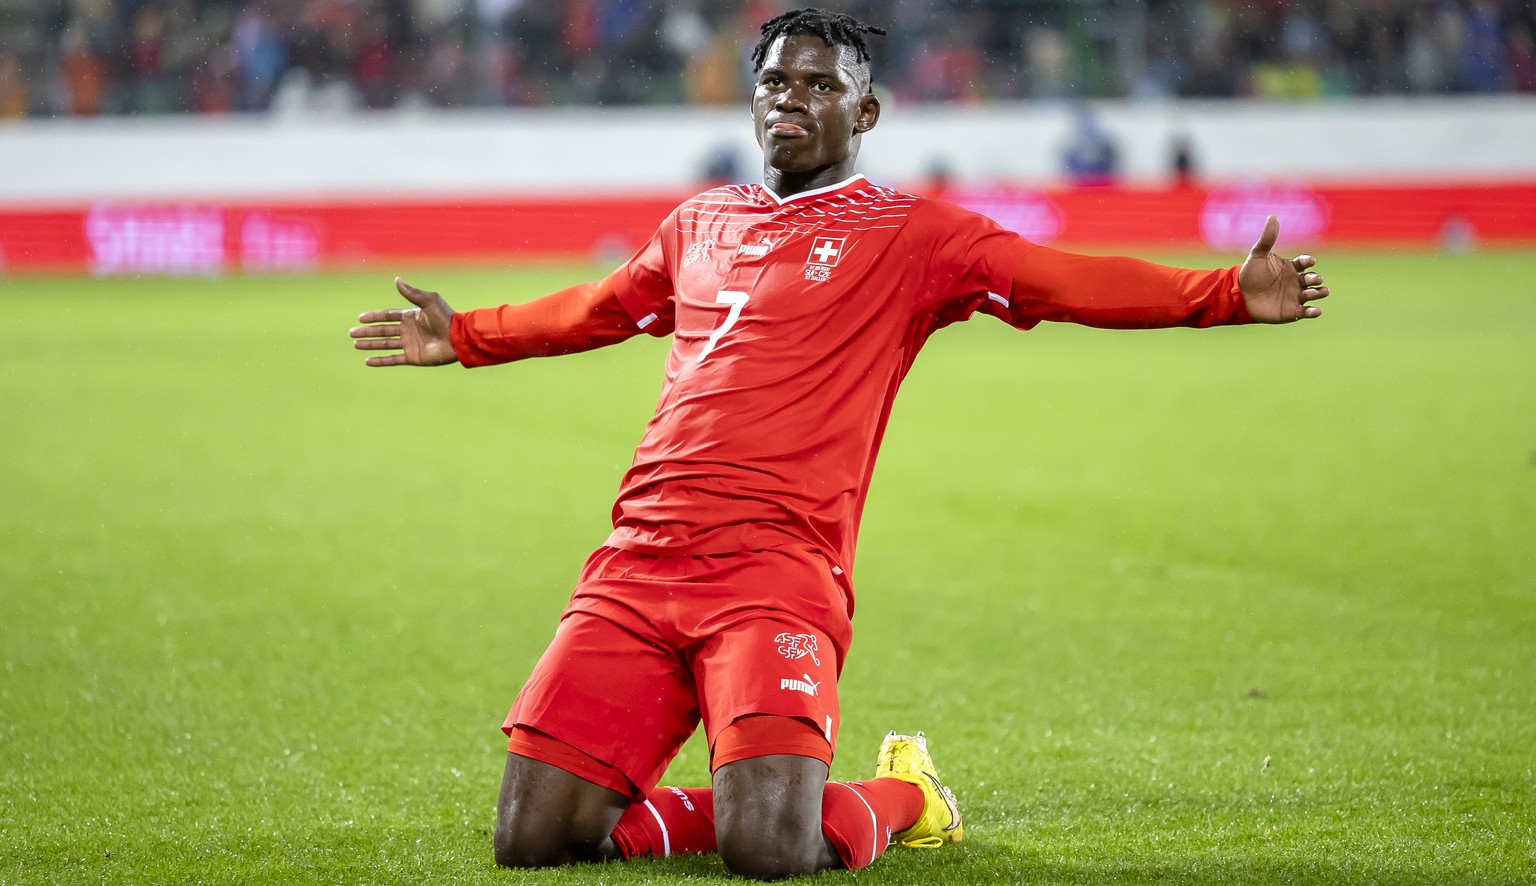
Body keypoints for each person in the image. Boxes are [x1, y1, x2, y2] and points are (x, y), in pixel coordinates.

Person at [349, 8, 1330, 879]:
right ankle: (723, 799)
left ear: (864, 115)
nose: (792, 96)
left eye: (824, 83)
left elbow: (1058, 278)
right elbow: (600, 308)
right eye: (776, 78)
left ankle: (908, 795)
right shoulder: (701, 223)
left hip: (777, 569)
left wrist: (1221, 295)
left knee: (770, 851)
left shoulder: (913, 236)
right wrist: (466, 333)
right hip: (638, 563)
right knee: (532, 837)